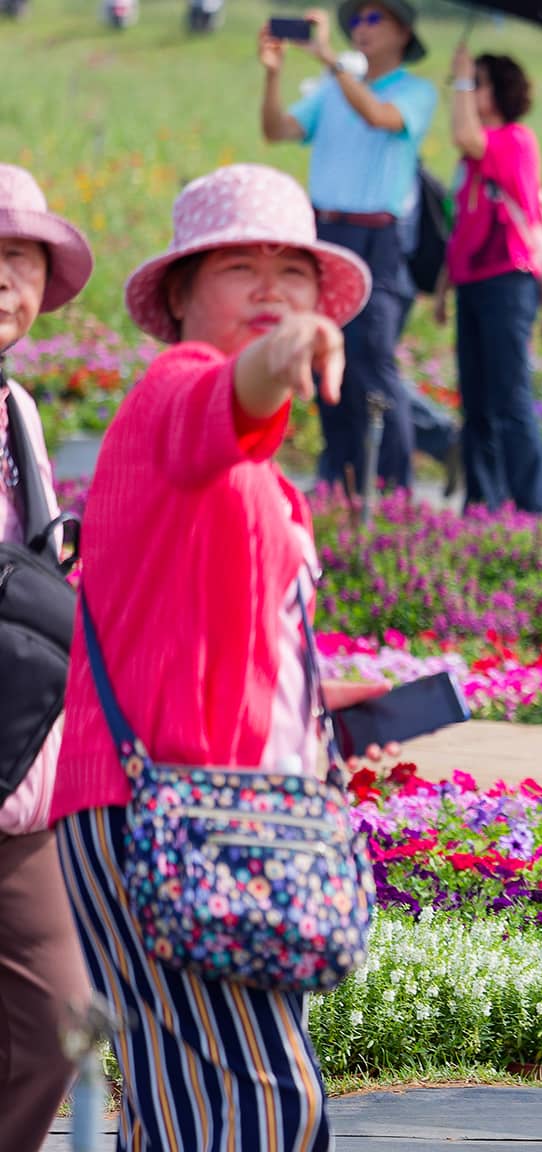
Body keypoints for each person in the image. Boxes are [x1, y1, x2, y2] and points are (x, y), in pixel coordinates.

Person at [48, 162, 399, 1151]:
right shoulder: (180, 389)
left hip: (211, 806)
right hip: (163, 805)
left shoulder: (255, 478)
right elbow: (226, 402)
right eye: (239, 268)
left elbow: (218, 641)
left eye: (292, 271)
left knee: (186, 1105)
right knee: (258, 1108)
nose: (271, 290)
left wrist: (321, 704)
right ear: (179, 296)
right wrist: (279, 353)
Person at [0, 164, 93, 1152]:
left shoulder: (17, 412)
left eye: (20, 258)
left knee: (59, 1020)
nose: (4, 280)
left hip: (17, 770)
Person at [259, 0, 437, 499]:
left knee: (373, 361)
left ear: (403, 32)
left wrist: (331, 62)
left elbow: (380, 116)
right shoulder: (331, 91)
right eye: (357, 19)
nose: (362, 27)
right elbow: (276, 130)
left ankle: (394, 490)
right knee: (322, 357)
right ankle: (339, 480)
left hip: (375, 237)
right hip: (324, 232)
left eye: (375, 18)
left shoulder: (415, 92)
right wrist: (273, 76)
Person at [437, 45, 542, 514]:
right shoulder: (473, 159)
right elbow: (463, 226)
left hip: (508, 280)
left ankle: (532, 503)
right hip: (473, 281)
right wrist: (445, 287)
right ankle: (482, 501)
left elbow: (465, 134)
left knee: (510, 396)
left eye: (480, 83)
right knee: (477, 399)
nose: (470, 90)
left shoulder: (514, 139)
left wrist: (460, 76)